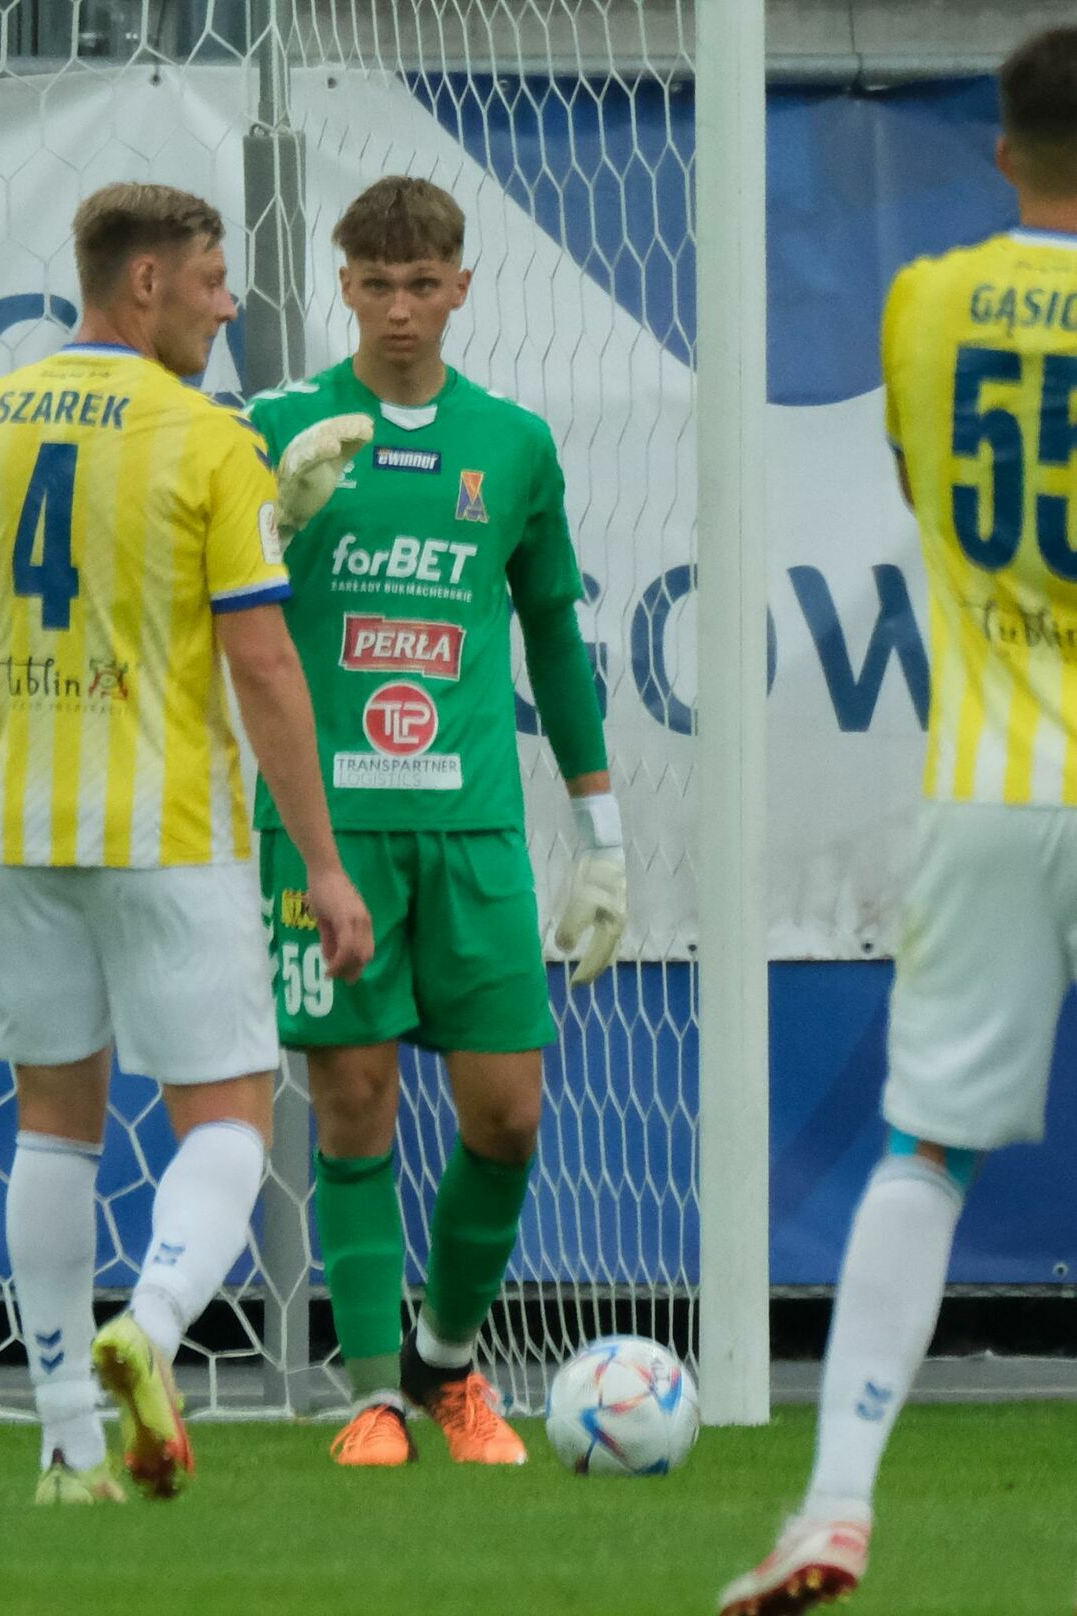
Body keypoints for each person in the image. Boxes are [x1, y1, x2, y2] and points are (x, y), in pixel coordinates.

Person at [0, 181, 372, 1505]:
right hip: (171, 834)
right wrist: (323, 863)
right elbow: (265, 664)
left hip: (32, 839)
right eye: (214, 278)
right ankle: (148, 1331)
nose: (229, 303)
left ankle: (63, 1447)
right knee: (227, 1116)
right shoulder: (207, 439)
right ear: (146, 283)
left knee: (55, 1129)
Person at [720, 26, 1077, 1613]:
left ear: (1000, 151)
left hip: (996, 789)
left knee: (922, 1154)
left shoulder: (924, 304)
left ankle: (835, 1507)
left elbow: (929, 494)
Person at [249, 176, 627, 1467]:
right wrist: (273, 522)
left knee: (508, 1115)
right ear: (340, 285)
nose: (400, 309)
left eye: (424, 285)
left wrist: (605, 832)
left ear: (463, 287)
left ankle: (450, 1364)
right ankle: (370, 1396)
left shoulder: (512, 444)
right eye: (376, 283)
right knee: (352, 1103)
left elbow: (556, 642)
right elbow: (217, 609)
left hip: (473, 833)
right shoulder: (281, 428)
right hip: (329, 830)